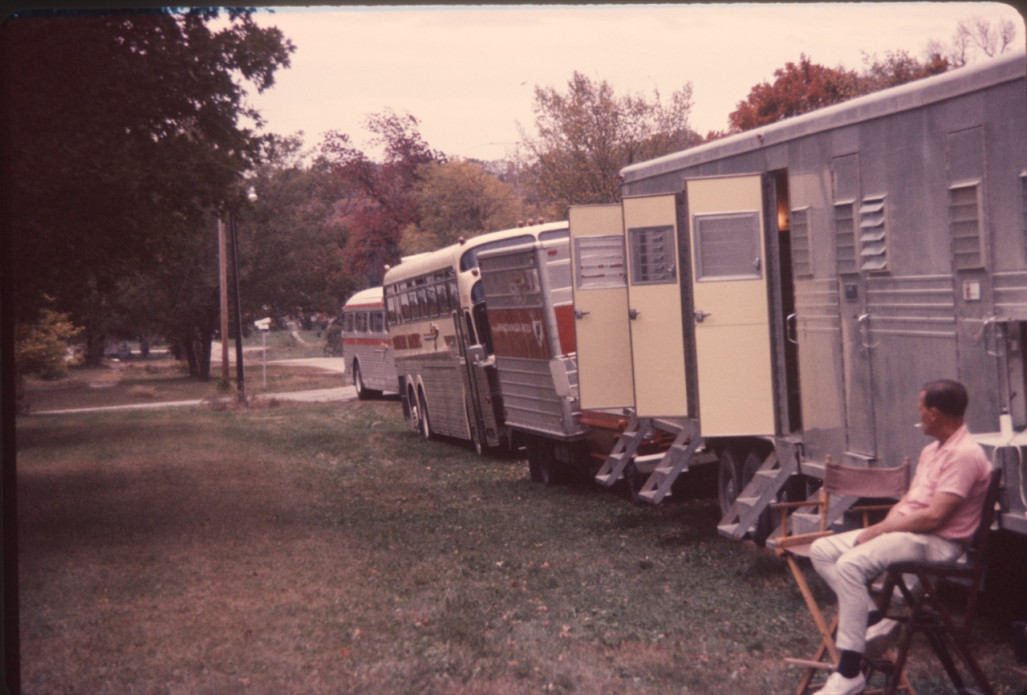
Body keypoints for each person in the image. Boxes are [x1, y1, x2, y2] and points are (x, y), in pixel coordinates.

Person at [808, 379, 993, 695]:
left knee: (851, 565)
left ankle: (850, 673)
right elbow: (909, 503)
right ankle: (873, 618)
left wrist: (882, 530)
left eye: (921, 407)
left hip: (938, 543)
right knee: (822, 548)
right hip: (910, 533)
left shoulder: (964, 454)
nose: (918, 414)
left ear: (934, 413)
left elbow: (935, 516)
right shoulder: (931, 451)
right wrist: (884, 526)